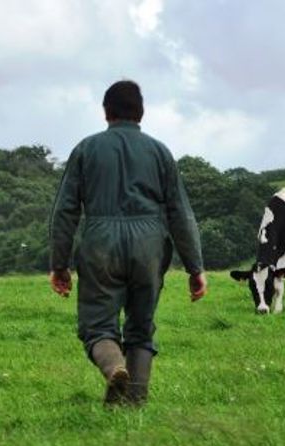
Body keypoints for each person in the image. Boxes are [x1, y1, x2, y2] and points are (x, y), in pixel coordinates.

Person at [48, 80, 207, 406]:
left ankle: (114, 368)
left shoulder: (86, 149)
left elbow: (65, 211)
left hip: (100, 243)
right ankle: (134, 405)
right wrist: (196, 268)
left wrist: (59, 264)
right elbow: (180, 212)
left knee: (97, 328)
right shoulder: (160, 152)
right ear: (141, 113)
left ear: (106, 112)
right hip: (149, 245)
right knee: (141, 329)